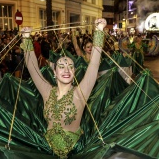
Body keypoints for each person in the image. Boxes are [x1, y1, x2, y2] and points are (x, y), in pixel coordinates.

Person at [20, 18, 106, 159]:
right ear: (54, 72)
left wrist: (99, 31)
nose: (66, 70)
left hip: (76, 152)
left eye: (70, 67)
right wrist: (26, 39)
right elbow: (32, 68)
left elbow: (94, 64)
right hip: (46, 150)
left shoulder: (80, 92)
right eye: (61, 66)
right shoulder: (47, 91)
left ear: (74, 72)